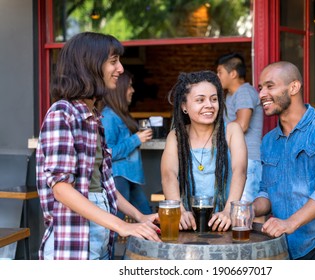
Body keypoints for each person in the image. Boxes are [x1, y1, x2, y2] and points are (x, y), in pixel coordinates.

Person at [36, 32, 160, 260]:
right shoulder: (62, 113)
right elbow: (61, 188)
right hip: (73, 245)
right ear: (89, 66)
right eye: (113, 61)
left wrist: (139, 216)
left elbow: (104, 185)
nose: (120, 69)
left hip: (101, 238)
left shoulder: (94, 117)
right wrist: (122, 226)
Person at [253, 61, 315, 260]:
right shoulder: (268, 141)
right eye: (260, 88)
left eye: (270, 86)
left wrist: (290, 222)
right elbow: (266, 191)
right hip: (286, 244)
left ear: (294, 87)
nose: (261, 94)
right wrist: (251, 209)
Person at [161, 70, 247, 232]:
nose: (209, 105)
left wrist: (229, 211)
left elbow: (239, 171)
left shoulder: (232, 131)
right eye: (200, 100)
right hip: (187, 223)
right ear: (184, 106)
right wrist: (179, 210)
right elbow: (168, 175)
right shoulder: (176, 136)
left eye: (214, 99)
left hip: (224, 221)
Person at [100, 70, 153, 216]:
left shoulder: (118, 114)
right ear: (120, 89)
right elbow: (109, 153)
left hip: (129, 177)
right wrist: (136, 139)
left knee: (146, 215)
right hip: (118, 176)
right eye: (129, 86)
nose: (132, 90)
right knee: (118, 223)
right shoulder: (109, 116)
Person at [216, 52, 263, 202]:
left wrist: (212, 134)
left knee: (244, 210)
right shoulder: (231, 94)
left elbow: (242, 125)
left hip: (249, 159)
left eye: (220, 72)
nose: (217, 76)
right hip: (238, 159)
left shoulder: (244, 92)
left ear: (233, 74)